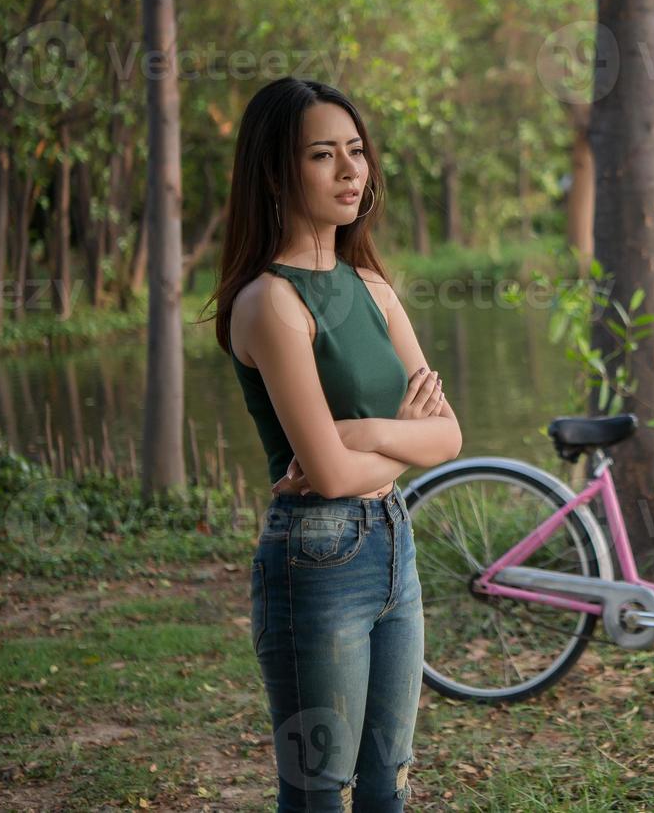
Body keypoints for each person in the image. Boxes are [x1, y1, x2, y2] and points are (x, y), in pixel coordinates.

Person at [207, 76, 462, 811]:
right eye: (324, 155)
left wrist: (366, 433)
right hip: (315, 561)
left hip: (394, 546)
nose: (351, 171)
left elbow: (448, 435)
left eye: (356, 151)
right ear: (275, 173)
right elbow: (324, 472)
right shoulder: (268, 303)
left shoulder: (373, 289)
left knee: (390, 782)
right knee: (322, 791)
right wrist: (393, 442)